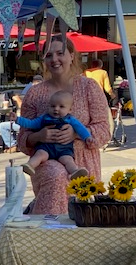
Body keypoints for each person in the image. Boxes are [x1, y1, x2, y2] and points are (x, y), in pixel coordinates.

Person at [17, 35, 111, 214]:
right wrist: (39, 136)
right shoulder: (35, 94)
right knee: (56, 175)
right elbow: (22, 139)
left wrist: (76, 133)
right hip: (47, 162)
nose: (54, 59)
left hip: (83, 164)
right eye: (49, 55)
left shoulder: (89, 87)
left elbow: (104, 130)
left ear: (72, 56)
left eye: (60, 53)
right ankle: (47, 233)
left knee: (82, 222)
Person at [12, 90, 92, 179]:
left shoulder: (70, 119)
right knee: (39, 154)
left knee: (68, 160)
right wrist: (18, 120)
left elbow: (81, 129)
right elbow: (31, 123)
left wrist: (87, 137)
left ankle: (74, 171)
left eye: (61, 106)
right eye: (53, 106)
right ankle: (30, 165)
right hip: (47, 147)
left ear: (69, 110)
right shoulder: (44, 118)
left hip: (63, 148)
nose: (56, 109)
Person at [0, 76, 43, 152]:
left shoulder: (38, 99)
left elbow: (27, 113)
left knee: (2, 126)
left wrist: (18, 101)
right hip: (26, 123)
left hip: (31, 126)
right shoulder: (31, 96)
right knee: (3, 125)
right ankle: (14, 145)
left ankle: (13, 145)